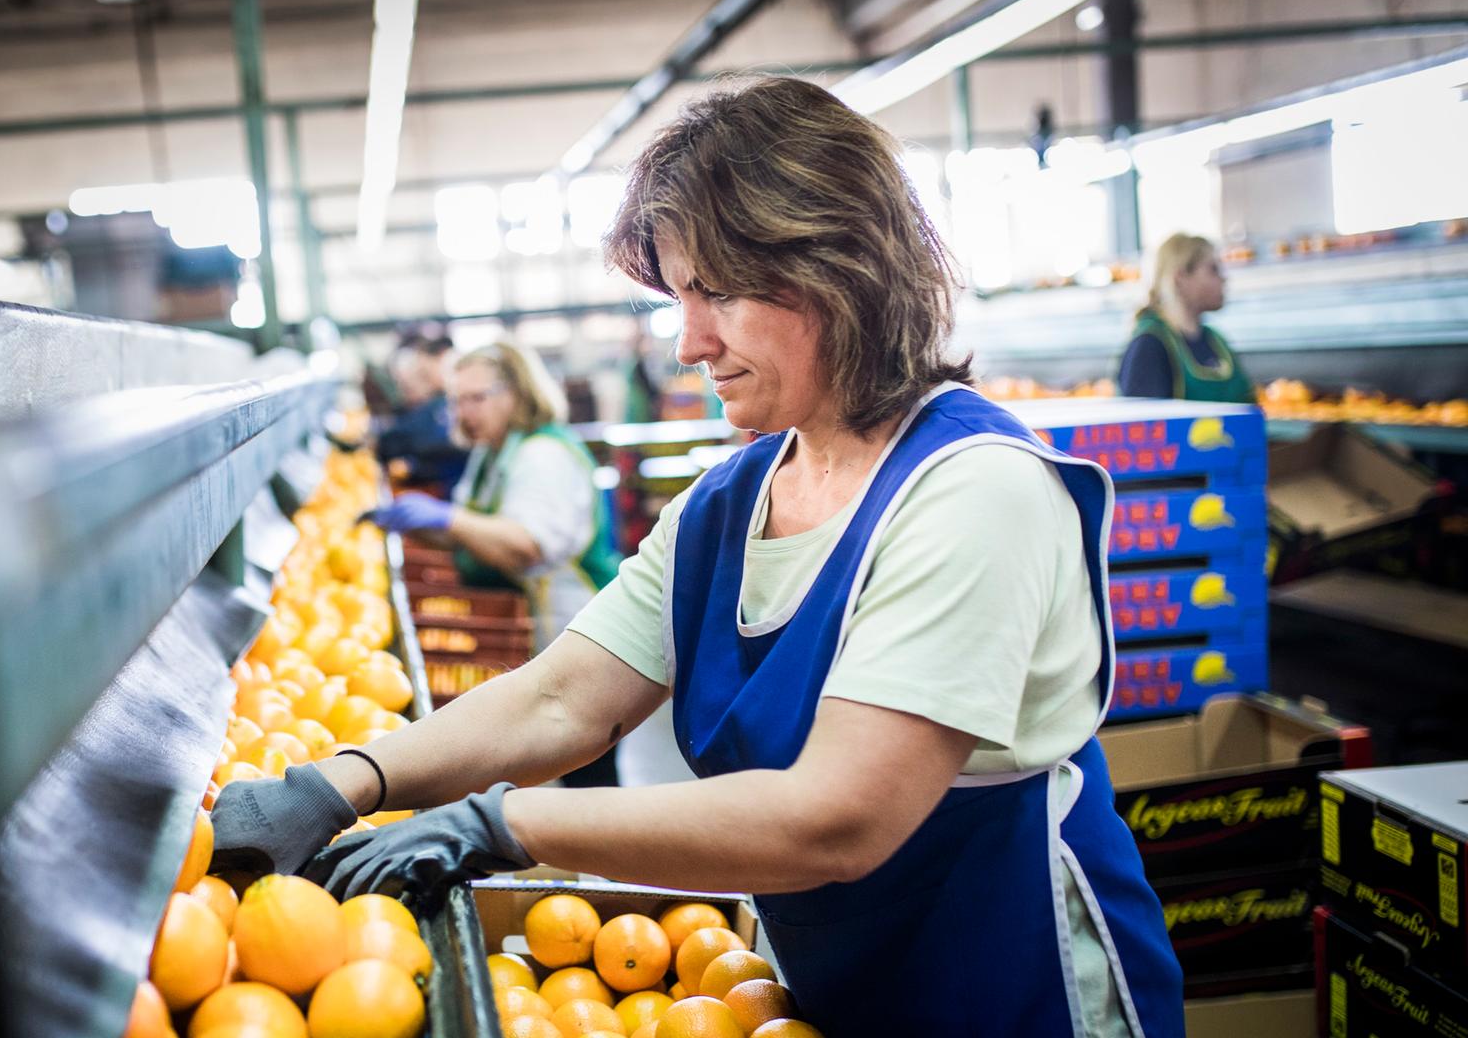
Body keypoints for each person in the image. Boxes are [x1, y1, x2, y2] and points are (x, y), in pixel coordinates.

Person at [211, 77, 1182, 1037]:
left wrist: (506, 826)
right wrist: (340, 782)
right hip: (837, 991)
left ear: (835, 269)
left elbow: (836, 817)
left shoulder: (973, 493)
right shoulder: (732, 501)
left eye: (713, 293)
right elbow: (566, 698)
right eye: (680, 297)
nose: (688, 342)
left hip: (1018, 995)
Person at [368, 341, 625, 786]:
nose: (464, 412)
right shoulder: (494, 451)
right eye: (455, 400)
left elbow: (524, 545)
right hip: (541, 626)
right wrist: (416, 524)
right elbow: (476, 532)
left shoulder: (541, 455)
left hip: (580, 623)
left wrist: (447, 517)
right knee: (564, 759)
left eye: (476, 398)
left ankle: (611, 854)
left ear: (517, 394)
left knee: (589, 765)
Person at [1117, 233, 1255, 402]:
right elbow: (1145, 423)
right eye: (1213, 269)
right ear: (1180, 278)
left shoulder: (1216, 341)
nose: (1224, 279)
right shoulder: (1150, 345)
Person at [374, 336, 467, 493]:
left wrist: (414, 466)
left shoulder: (449, 402)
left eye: (425, 374)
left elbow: (447, 445)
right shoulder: (438, 402)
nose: (426, 381)